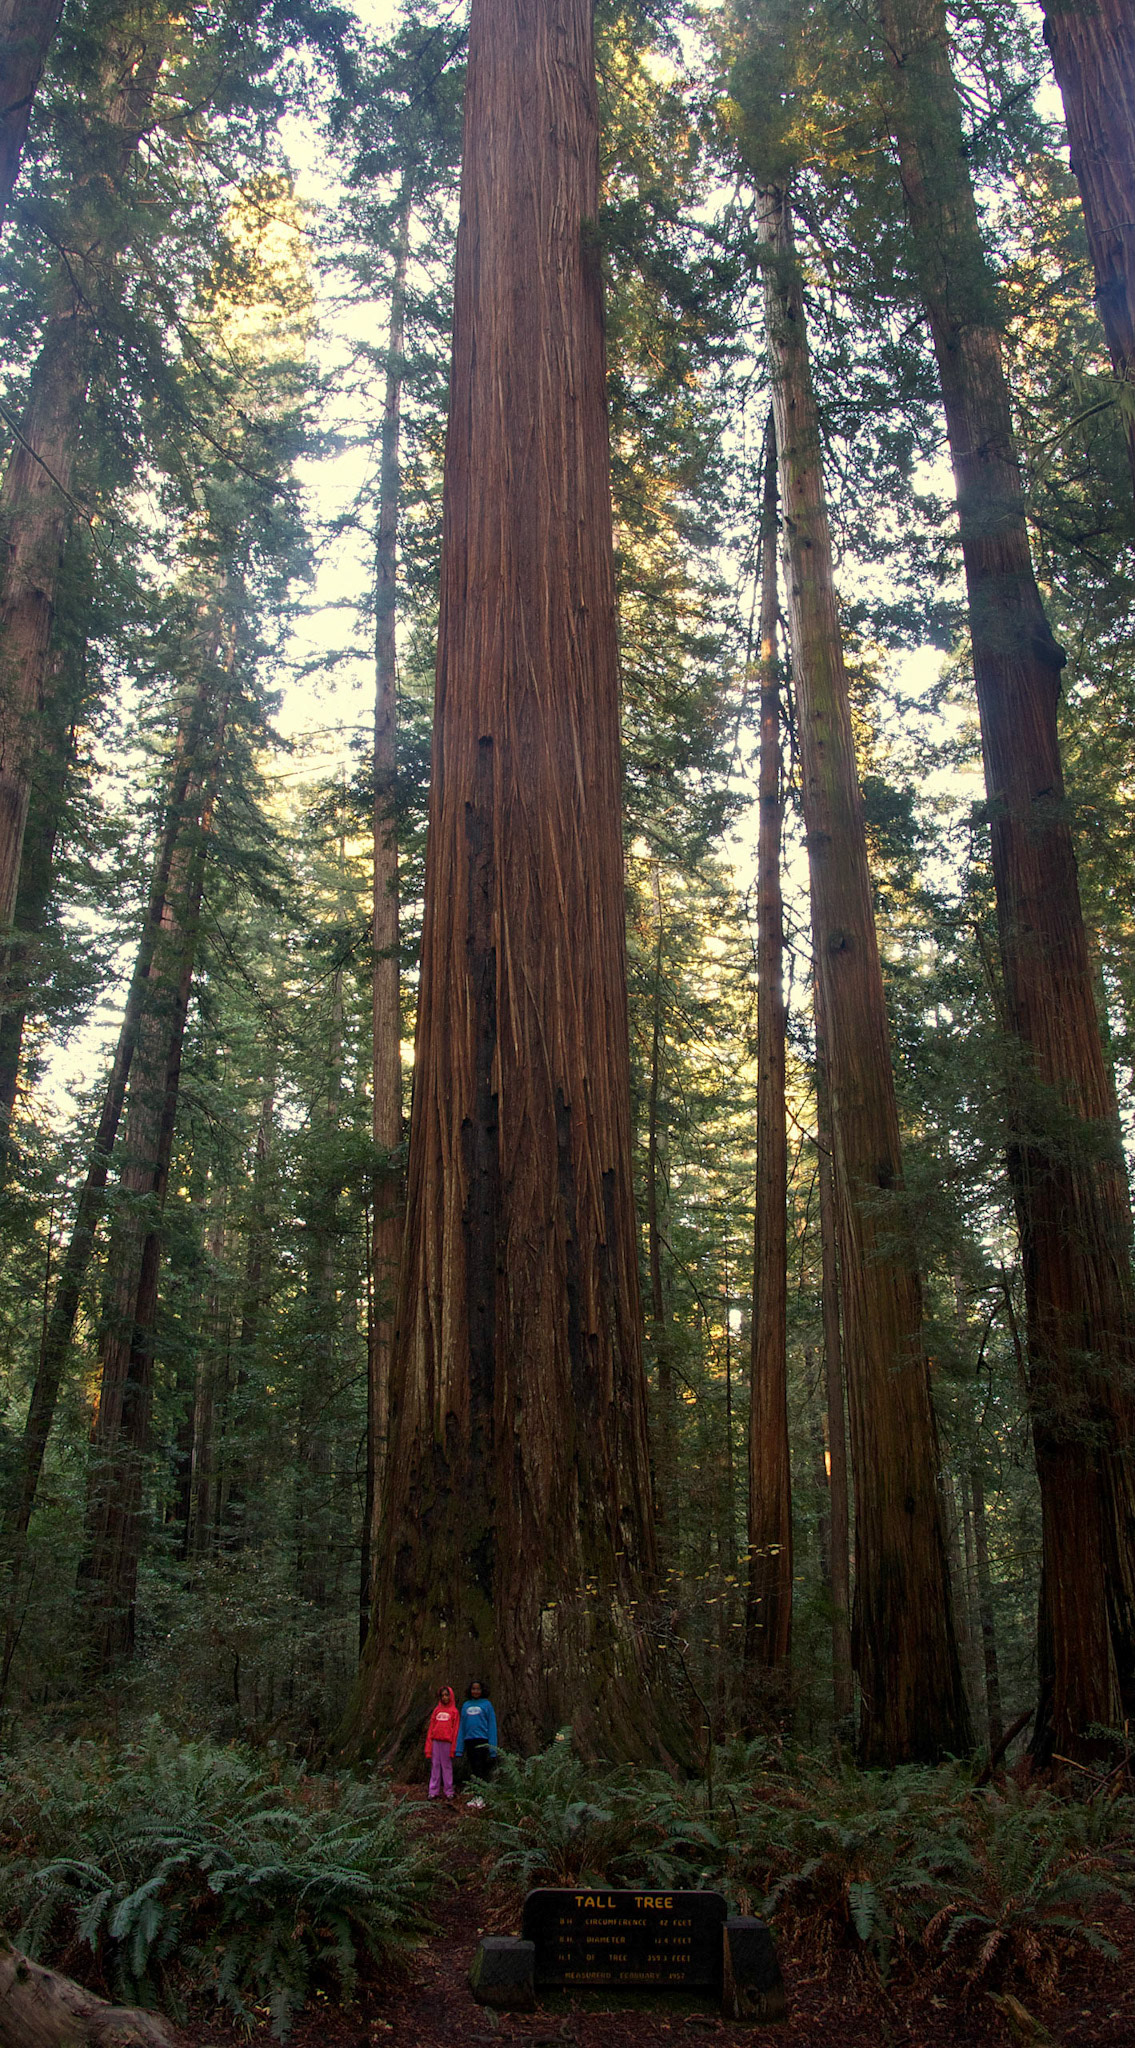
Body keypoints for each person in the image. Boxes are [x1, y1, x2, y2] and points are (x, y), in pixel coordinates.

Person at [455, 1679, 498, 1783]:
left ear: (482, 1690)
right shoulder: (466, 1705)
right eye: (473, 1689)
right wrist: (459, 1749)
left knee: (480, 1766)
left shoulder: (487, 1704)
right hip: (469, 1740)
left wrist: (493, 1749)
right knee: (473, 1766)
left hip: (482, 1739)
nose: (476, 1691)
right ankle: (477, 1788)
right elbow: (462, 1726)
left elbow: (492, 1726)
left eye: (478, 1689)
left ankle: (481, 1790)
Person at [424, 1684, 459, 1800]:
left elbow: (455, 1730)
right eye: (442, 1695)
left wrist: (453, 1747)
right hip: (436, 1742)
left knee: (446, 1766)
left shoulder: (454, 1712)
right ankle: (433, 1790)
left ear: (451, 1696)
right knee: (435, 1765)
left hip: (447, 1743)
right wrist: (428, 1747)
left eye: (446, 1695)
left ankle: (448, 1790)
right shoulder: (436, 1710)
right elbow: (431, 1728)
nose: (444, 1697)